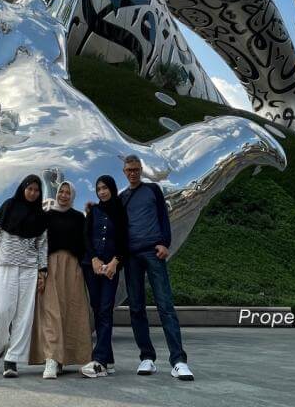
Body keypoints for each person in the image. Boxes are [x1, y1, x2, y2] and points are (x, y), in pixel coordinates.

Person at [120, 154, 194, 381]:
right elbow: (113, 224)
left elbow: (164, 217)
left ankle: (179, 361)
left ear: (140, 170)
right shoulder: (122, 197)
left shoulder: (152, 190)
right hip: (132, 256)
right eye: (129, 170)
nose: (132, 173)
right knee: (136, 308)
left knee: (165, 305)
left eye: (135, 169)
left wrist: (165, 243)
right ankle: (147, 358)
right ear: (124, 172)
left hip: (153, 251)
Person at [0, 174, 48, 378]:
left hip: (28, 269)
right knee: (2, 311)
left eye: (36, 190)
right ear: (23, 188)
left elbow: (42, 245)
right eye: (30, 189)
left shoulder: (40, 216)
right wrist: (2, 247)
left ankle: (12, 360)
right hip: (6, 266)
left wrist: (42, 270)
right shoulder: (9, 205)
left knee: (23, 316)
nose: (33, 193)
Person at [29, 181, 92, 379]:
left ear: (72, 196)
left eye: (67, 193)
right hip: (50, 266)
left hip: (73, 267)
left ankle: (64, 358)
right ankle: (51, 359)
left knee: (72, 311)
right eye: (61, 192)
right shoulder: (46, 216)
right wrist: (41, 270)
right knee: (51, 312)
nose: (64, 195)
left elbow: (85, 242)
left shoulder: (78, 217)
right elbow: (38, 243)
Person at [80, 174, 128, 378]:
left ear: (112, 188)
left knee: (106, 310)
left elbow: (125, 240)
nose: (102, 192)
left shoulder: (121, 212)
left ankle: (98, 360)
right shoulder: (94, 211)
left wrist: (116, 262)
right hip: (92, 267)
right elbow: (86, 237)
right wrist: (93, 259)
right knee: (97, 308)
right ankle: (108, 359)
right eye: (99, 188)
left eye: (105, 188)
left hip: (110, 268)